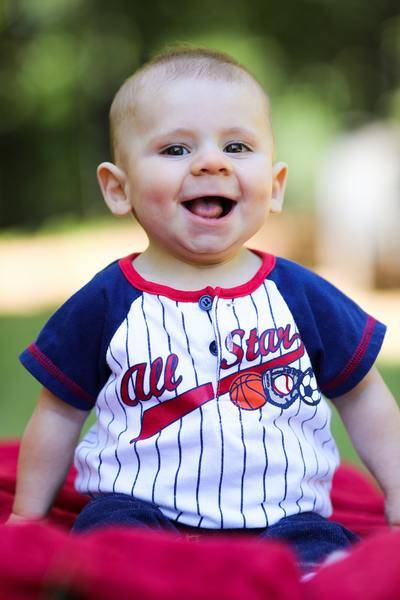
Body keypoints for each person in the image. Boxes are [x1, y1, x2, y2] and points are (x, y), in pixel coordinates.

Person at [8, 47, 400, 571]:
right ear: (118, 189)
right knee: (103, 545)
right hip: (139, 506)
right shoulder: (108, 300)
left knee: (330, 558)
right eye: (174, 149)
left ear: (275, 187)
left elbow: (364, 395)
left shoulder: (300, 294)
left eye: (236, 146)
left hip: (284, 516)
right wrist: (26, 520)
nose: (212, 162)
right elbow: (58, 410)